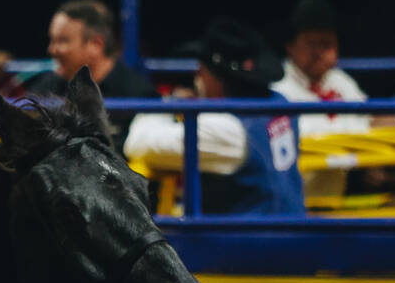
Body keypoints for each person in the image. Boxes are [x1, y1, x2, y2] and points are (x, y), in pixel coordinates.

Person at [124, 17, 304, 215]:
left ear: (215, 77)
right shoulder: (281, 101)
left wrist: (170, 103)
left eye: (201, 69)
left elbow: (136, 143)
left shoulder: (226, 129)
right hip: (290, 227)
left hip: (247, 241)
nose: (197, 76)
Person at [22, 0, 159, 148]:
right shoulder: (46, 87)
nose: (51, 50)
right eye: (52, 40)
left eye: (62, 41)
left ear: (96, 45)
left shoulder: (138, 94)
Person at [270, 0, 374, 136]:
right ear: (291, 47)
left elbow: (367, 118)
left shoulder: (341, 81)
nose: (318, 53)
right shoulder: (278, 87)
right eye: (311, 44)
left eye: (326, 45)